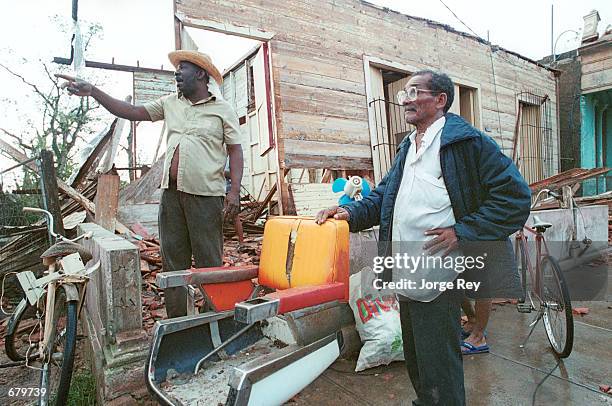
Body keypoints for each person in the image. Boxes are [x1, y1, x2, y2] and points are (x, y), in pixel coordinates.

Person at [316, 70, 530, 405]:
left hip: (439, 274)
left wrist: (464, 232)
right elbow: (385, 196)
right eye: (405, 92)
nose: (407, 99)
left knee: (439, 365)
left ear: (440, 100)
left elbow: (515, 197)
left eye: (416, 91)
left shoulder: (467, 143)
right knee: (417, 360)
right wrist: (349, 213)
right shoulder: (409, 146)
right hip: (407, 271)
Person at [57, 50, 244, 318]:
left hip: (206, 197)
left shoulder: (222, 110)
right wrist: (93, 91)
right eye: (177, 68)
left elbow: (236, 151)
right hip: (171, 197)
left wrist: (234, 192)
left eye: (184, 68)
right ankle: (177, 325)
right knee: (173, 265)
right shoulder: (170, 103)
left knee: (209, 266)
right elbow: (131, 112)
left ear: (201, 74)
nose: (177, 73)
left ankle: (212, 322)